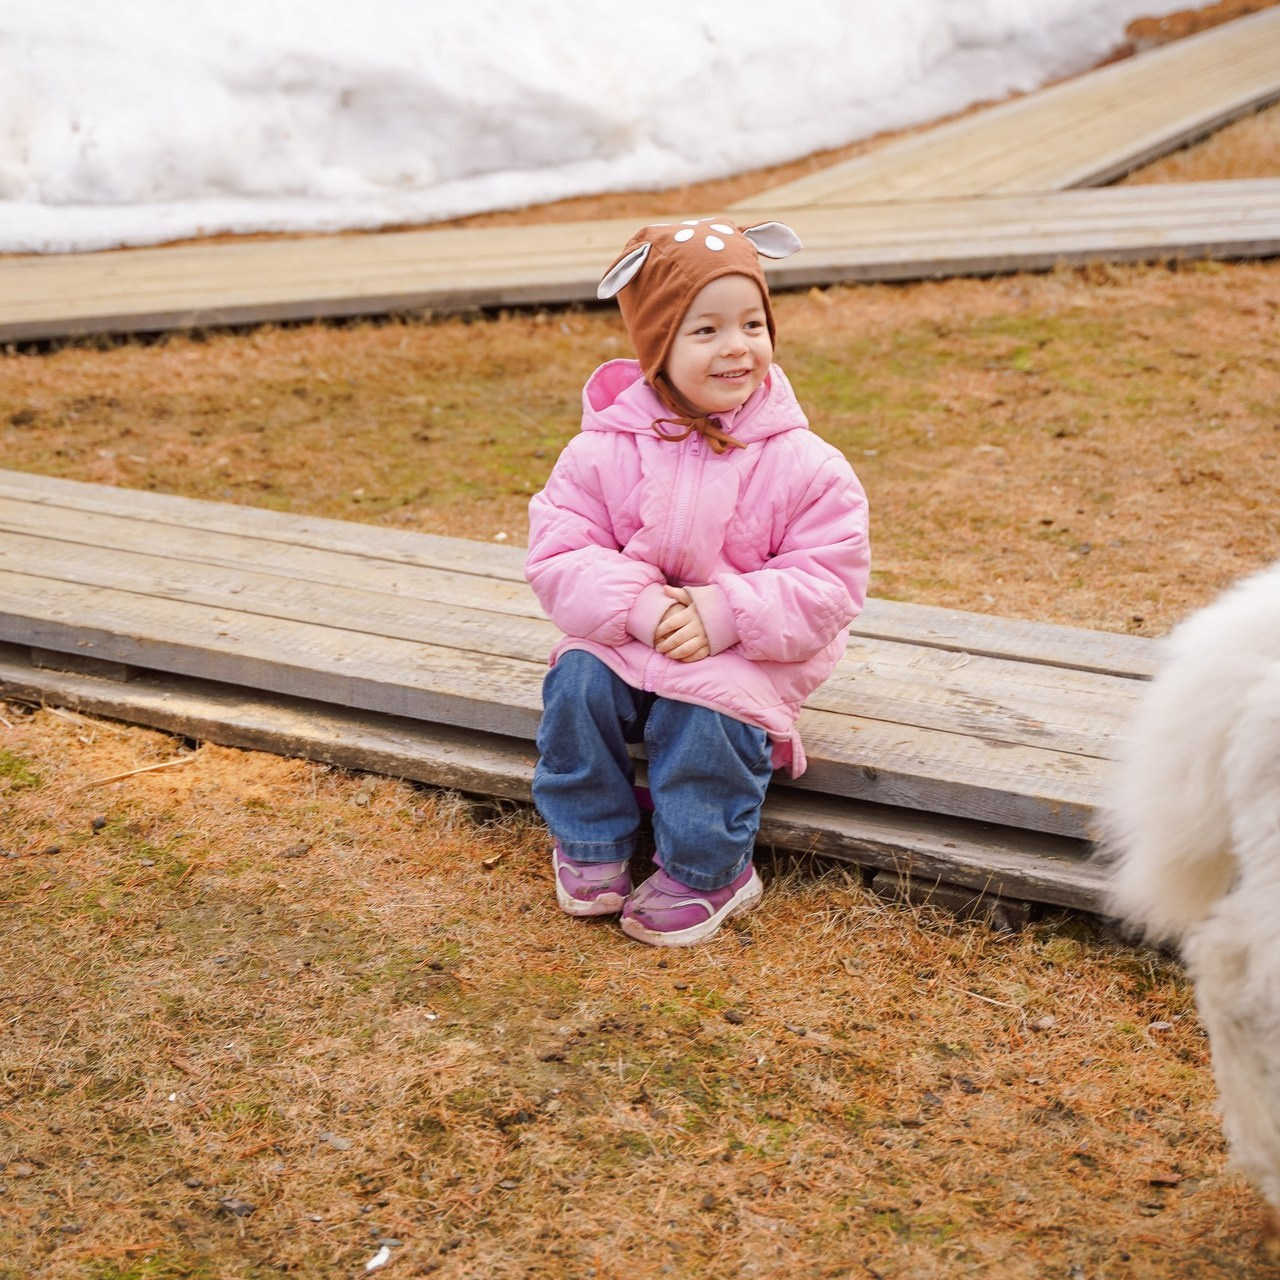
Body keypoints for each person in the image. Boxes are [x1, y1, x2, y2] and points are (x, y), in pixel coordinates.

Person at [525, 217, 870, 947]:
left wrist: (726, 614)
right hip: (633, 632)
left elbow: (829, 582)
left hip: (754, 643)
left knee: (709, 707)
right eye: (706, 330)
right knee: (579, 681)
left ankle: (710, 867)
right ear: (656, 347)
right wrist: (640, 608)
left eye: (752, 324)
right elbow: (561, 552)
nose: (737, 345)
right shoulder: (601, 450)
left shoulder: (806, 464)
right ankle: (590, 836)